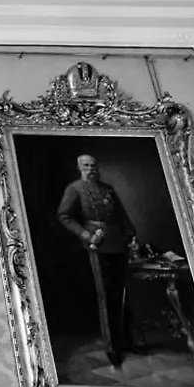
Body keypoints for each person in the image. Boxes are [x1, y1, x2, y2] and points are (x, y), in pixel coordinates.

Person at [56, 154, 139, 367]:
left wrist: (131, 235)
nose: (91, 169)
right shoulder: (74, 189)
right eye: (86, 165)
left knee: (123, 294)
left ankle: (128, 341)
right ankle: (112, 347)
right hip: (97, 242)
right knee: (106, 296)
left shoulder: (107, 189)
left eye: (93, 165)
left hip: (117, 242)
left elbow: (121, 214)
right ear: (79, 168)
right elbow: (64, 216)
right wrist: (85, 235)